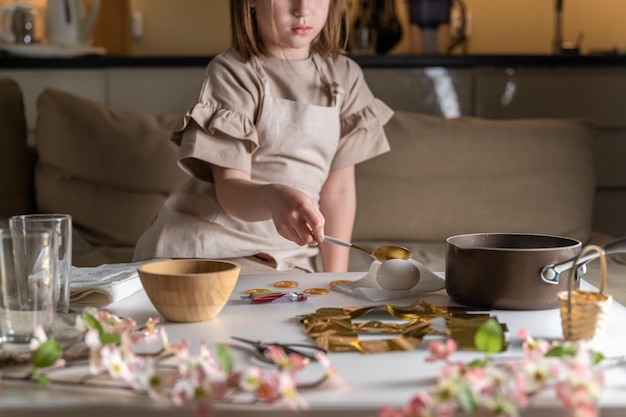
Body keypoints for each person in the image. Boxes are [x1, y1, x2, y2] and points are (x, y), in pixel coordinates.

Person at [133, 0, 393, 274]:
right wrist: (275, 198)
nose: (302, 9)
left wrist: (336, 281)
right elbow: (231, 191)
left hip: (287, 256)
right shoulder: (233, 72)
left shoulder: (345, 77)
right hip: (208, 248)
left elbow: (338, 193)